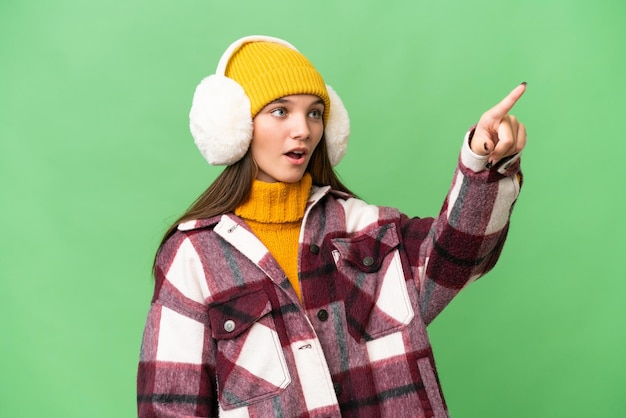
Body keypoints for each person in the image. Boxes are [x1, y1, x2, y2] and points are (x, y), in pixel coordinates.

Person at [137, 35, 527, 418]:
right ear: (236, 127)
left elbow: (456, 257)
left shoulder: (366, 228)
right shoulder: (192, 257)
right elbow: (170, 407)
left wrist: (482, 164)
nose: (303, 130)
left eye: (314, 112)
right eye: (280, 111)